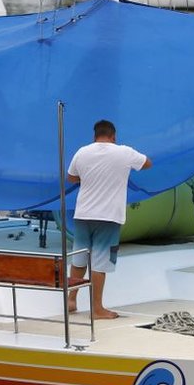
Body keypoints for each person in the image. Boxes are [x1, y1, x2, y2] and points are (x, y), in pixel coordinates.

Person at [66, 120, 152, 320]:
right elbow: (147, 163)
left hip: (83, 213)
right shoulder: (124, 152)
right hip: (109, 216)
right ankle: (97, 309)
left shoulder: (82, 152)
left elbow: (71, 177)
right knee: (100, 262)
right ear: (113, 136)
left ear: (94, 135)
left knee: (79, 258)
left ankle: (71, 300)